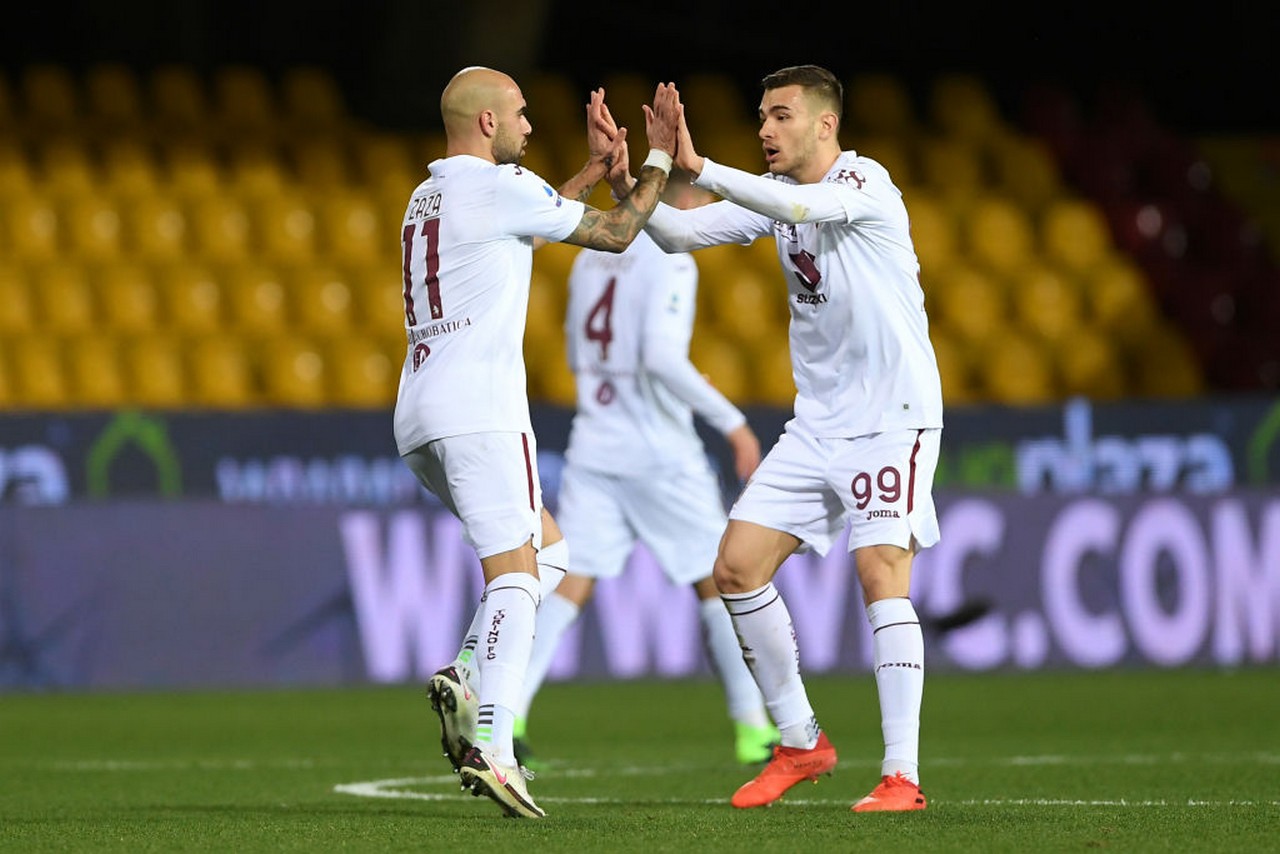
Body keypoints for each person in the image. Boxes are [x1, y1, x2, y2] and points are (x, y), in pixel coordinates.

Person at [607, 64, 943, 813]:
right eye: (761, 115)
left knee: (880, 572)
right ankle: (800, 741)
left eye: (781, 115)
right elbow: (679, 235)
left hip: (891, 418)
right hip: (818, 423)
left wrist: (700, 166)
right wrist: (635, 180)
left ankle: (902, 776)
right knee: (735, 568)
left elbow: (796, 203)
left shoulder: (865, 184)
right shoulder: (777, 198)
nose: (765, 128)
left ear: (825, 124)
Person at [397, 66, 680, 819]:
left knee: (550, 554)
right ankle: (494, 746)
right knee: (517, 577)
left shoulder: (427, 196)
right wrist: (654, 156)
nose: (529, 124)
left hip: (419, 413)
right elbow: (618, 233)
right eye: (520, 113)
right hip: (481, 411)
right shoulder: (501, 188)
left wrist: (587, 172)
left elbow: (518, 225)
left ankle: (466, 670)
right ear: (488, 122)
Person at [510, 169, 779, 770]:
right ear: (687, 199)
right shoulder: (672, 257)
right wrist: (733, 423)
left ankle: (510, 714)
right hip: (659, 449)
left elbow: (576, 346)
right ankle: (753, 726)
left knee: (570, 579)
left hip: (595, 438)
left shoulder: (593, 253)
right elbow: (660, 356)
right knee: (719, 578)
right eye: (706, 199)